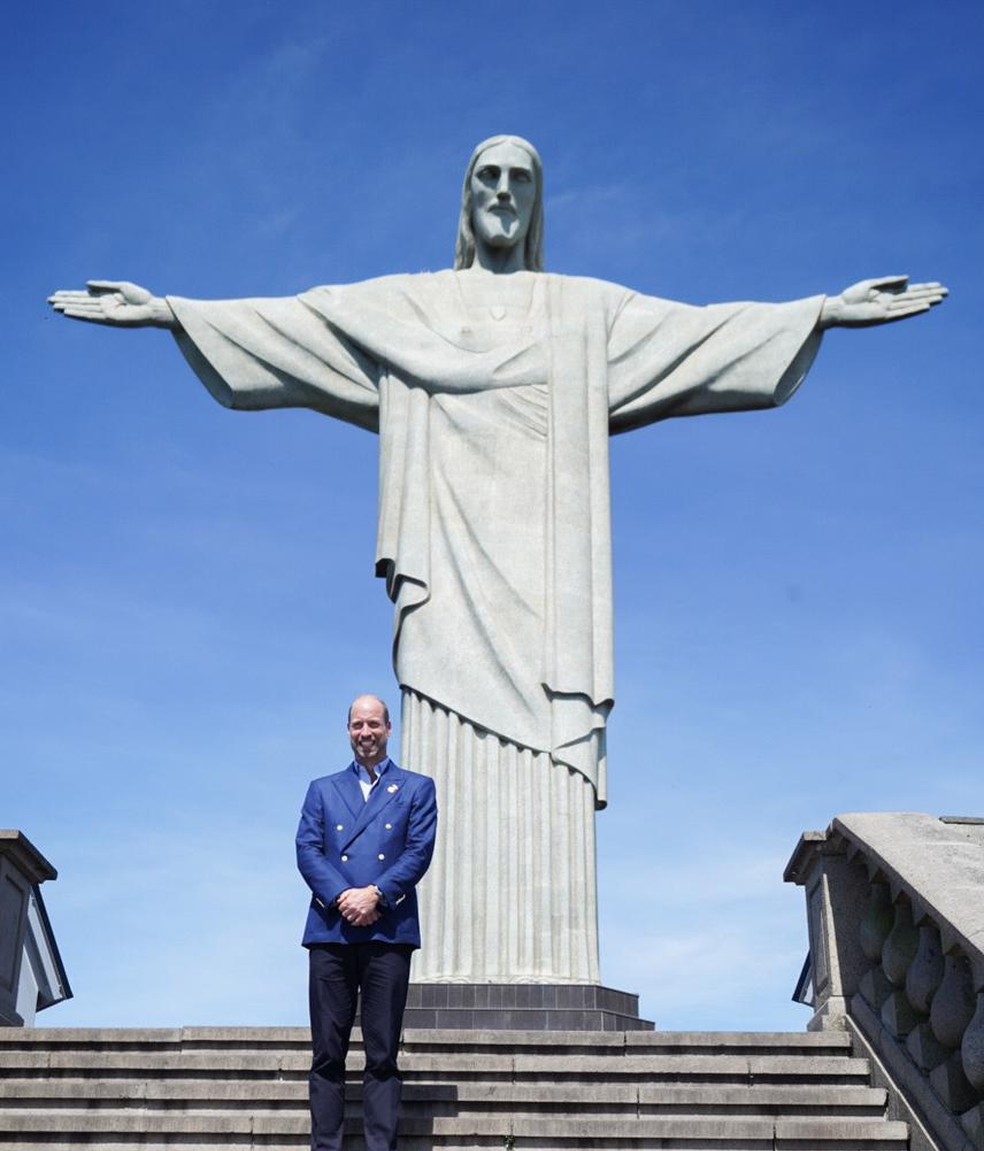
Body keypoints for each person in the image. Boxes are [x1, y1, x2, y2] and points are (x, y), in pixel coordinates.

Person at [48, 136, 947, 992]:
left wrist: (820, 312)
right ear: (467, 198)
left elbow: (699, 338)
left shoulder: (584, 313)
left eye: (522, 179)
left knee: (548, 747)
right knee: (442, 741)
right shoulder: (410, 309)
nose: (505, 194)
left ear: (539, 200)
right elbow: (301, 324)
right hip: (446, 576)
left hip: (549, 589)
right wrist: (174, 312)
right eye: (489, 178)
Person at [294, 694, 437, 1151]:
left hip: (387, 929)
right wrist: (342, 896)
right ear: (347, 730)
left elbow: (419, 851)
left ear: (389, 728)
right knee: (327, 1052)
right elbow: (307, 850)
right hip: (332, 930)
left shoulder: (416, 788)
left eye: (373, 723)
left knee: (382, 1053)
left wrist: (376, 893)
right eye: (357, 724)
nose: (365, 732)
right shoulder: (322, 790)